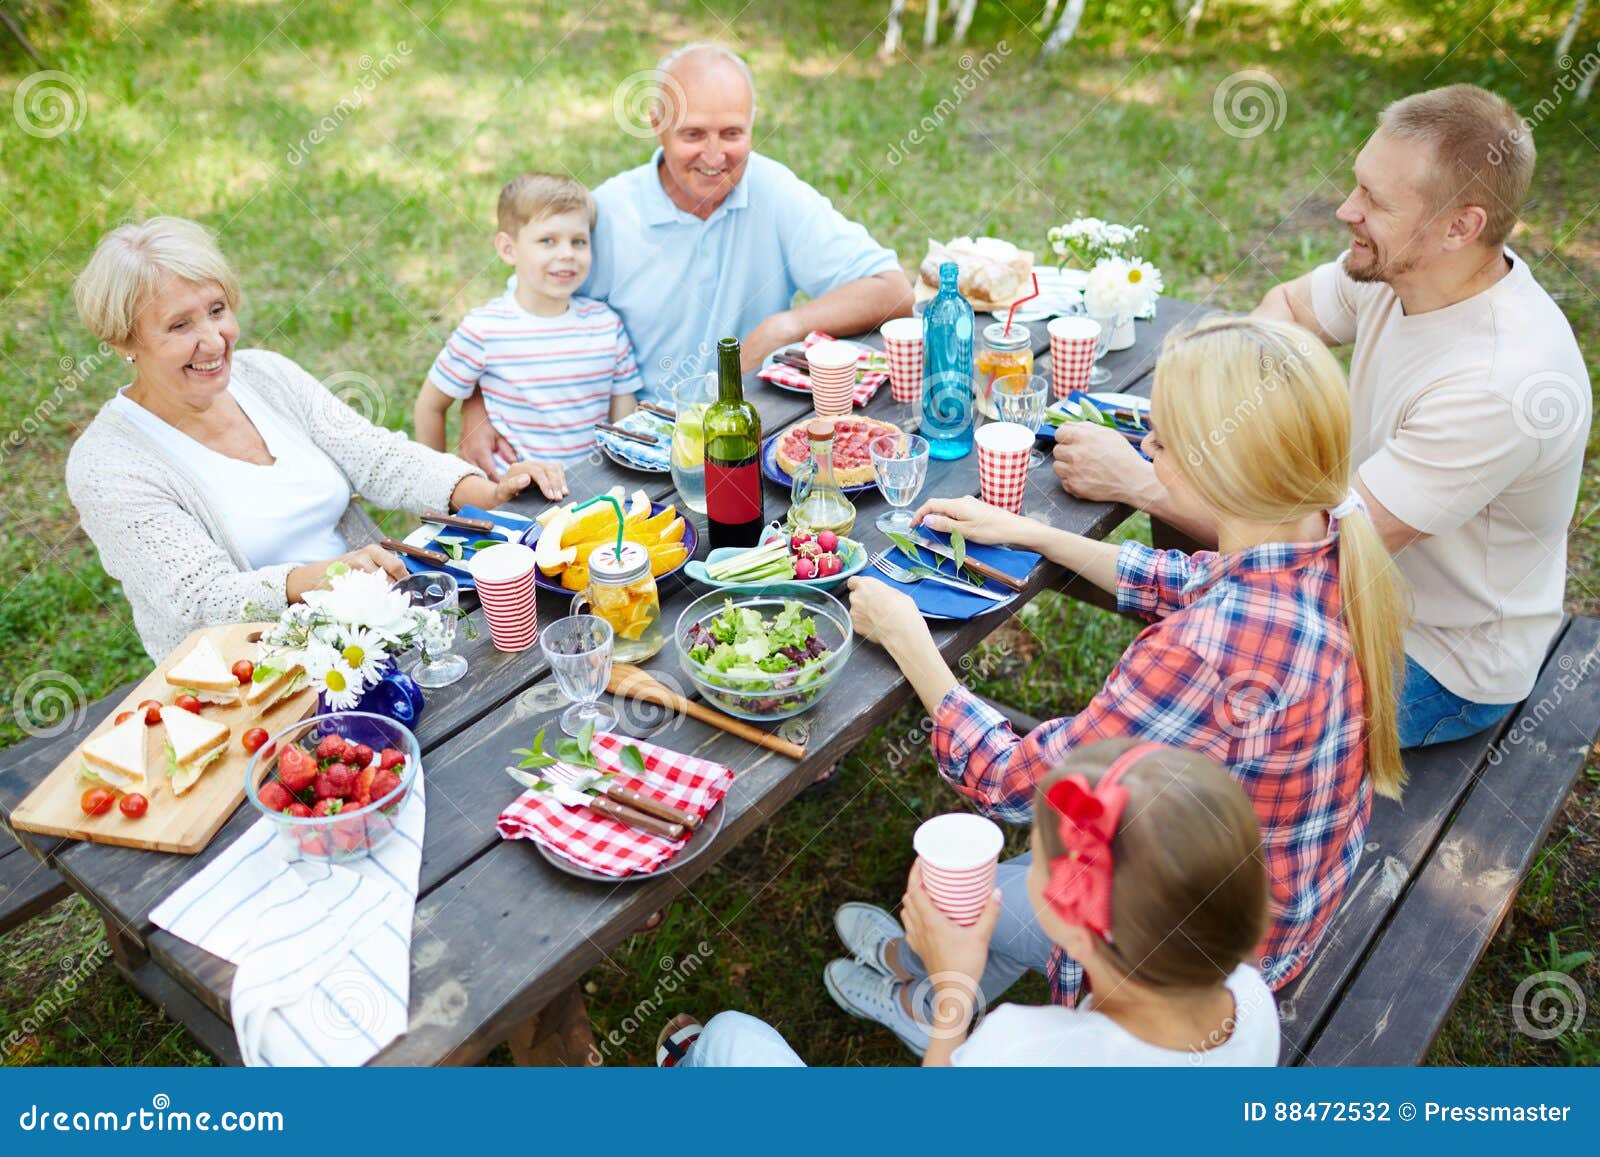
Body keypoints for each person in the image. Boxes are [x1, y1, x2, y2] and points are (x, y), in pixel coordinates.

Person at [835, 316, 1407, 1049]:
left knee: (968, 898)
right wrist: (1032, 534)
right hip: (1289, 897)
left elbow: (1017, 782)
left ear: (1220, 472)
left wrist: (909, 636)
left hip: (1203, 955)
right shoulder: (1320, 537)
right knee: (1002, 898)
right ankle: (925, 969)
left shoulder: (1208, 652)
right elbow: (1187, 577)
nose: (1144, 449)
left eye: (1160, 441)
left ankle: (932, 989)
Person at [1051, 84, 1591, 748]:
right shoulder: (1404, 269)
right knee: (1202, 528)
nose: (1345, 210)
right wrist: (1231, 411)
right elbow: (1289, 306)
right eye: (1357, 185)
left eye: (1375, 201)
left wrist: (1135, 481)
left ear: (1461, 226)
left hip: (1435, 656)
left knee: (1202, 731)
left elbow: (1322, 549)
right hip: (1345, 588)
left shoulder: (1500, 383)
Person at [66, 216, 553, 663]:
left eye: (217, 310)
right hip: (253, 674)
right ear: (123, 342)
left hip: (373, 631)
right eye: (179, 325)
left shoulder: (266, 375)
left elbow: (377, 457)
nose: (214, 341)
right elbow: (201, 599)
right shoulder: (108, 465)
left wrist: (488, 493)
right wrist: (322, 577)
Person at [655, 741, 1279, 1067]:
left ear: (1075, 919)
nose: (1024, 869)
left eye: (1032, 857)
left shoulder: (1024, 1048)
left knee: (733, 1040)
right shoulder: (1250, 1000)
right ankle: (909, 984)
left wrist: (956, 992)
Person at [457, 43, 914, 471]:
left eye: (732, 133)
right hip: (635, 450)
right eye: (693, 134)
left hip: (747, 436)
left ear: (753, 126)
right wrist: (474, 407)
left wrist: (784, 326)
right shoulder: (610, 212)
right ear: (657, 122)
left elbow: (893, 292)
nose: (714, 156)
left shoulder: (773, 190)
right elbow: (521, 317)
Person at [415, 173, 641, 474]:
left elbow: (625, 420)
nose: (566, 254)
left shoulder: (606, 326)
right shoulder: (484, 329)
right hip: (510, 500)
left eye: (578, 241)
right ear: (509, 249)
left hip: (590, 499)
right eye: (547, 241)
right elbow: (430, 405)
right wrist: (438, 484)